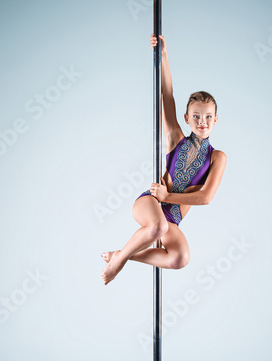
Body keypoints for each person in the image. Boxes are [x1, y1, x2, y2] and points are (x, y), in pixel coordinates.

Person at [101, 34, 227, 285]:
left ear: (215, 119)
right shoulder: (175, 139)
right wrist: (164, 55)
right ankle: (118, 263)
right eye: (196, 116)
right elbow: (167, 93)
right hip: (150, 204)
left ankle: (122, 256)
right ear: (187, 118)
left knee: (181, 258)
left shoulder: (217, 157)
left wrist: (167, 197)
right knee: (157, 227)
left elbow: (206, 197)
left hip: (171, 217)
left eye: (208, 117)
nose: (202, 122)